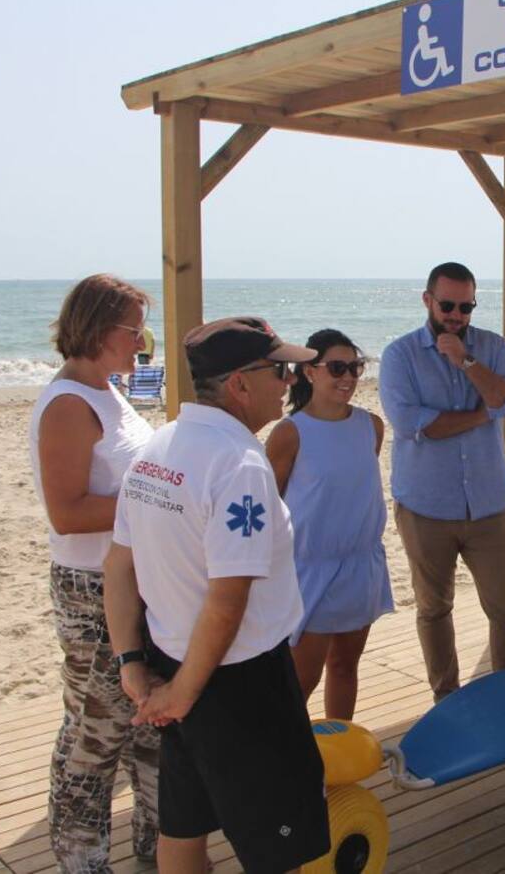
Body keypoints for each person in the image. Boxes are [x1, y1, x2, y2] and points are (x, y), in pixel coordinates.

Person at [103, 317, 330, 873]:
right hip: (240, 681)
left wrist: (133, 664)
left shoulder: (156, 449)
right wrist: (181, 693)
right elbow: (228, 600)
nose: (290, 382)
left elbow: (118, 564)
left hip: (174, 664)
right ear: (240, 383)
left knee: (182, 828)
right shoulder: (240, 465)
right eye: (279, 370)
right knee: (277, 848)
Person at [27, 273, 160, 872]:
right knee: (95, 736)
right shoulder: (68, 404)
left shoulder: (108, 390)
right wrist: (158, 500)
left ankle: (161, 851)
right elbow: (68, 511)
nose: (142, 343)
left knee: (146, 726)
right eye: (135, 331)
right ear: (100, 330)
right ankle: (83, 861)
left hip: (134, 584)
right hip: (92, 592)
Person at [379, 261, 505, 702]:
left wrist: (466, 362)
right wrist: (485, 412)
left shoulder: (492, 348)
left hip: (490, 504)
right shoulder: (399, 355)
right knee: (433, 609)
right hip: (425, 506)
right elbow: (413, 424)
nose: (457, 315)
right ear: (428, 300)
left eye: (466, 307)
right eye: (448, 305)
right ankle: (446, 699)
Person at [266, 329, 394, 720]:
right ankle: (291, 767)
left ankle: (338, 750)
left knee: (345, 666)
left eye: (355, 367)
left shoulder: (371, 425)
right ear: (309, 372)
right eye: (337, 367)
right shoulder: (290, 433)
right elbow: (271, 505)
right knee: (301, 681)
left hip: (360, 566)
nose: (348, 377)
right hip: (310, 571)